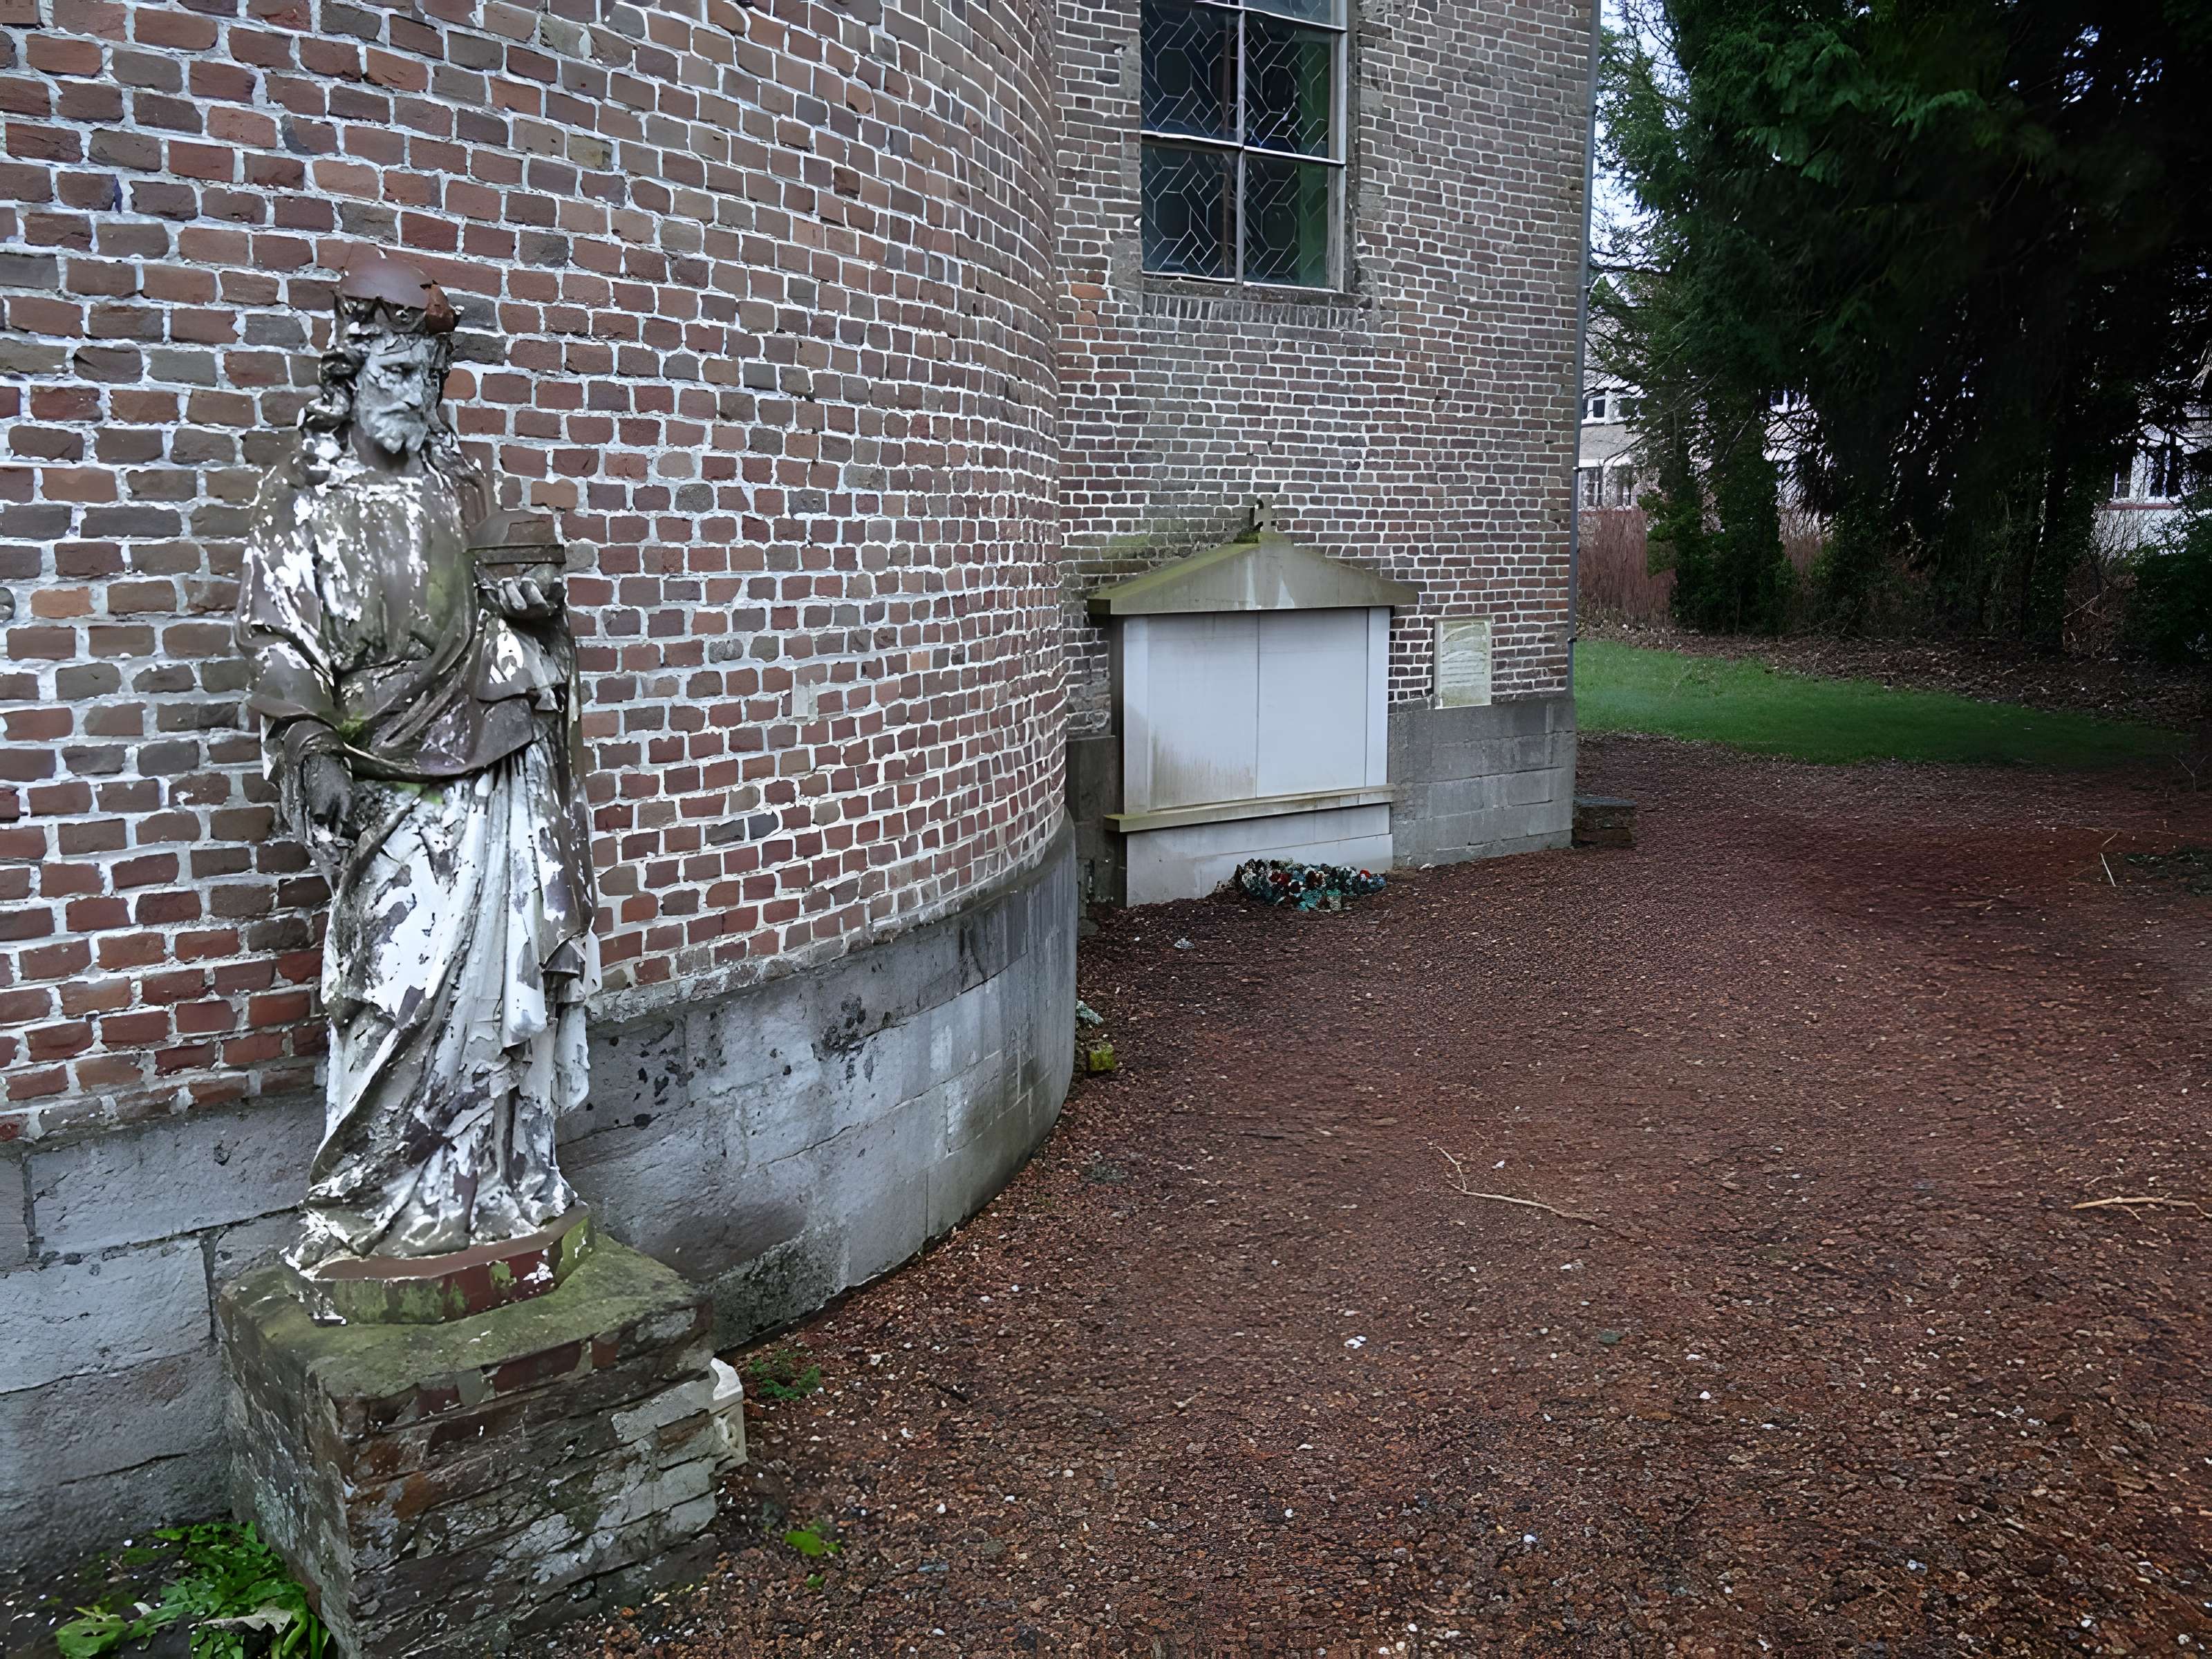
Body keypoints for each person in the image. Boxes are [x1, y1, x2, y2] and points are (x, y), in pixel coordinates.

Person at [236, 250, 597, 1271]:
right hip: (384, 781)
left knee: (496, 999)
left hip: (493, 769)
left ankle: (497, 1192)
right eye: (394, 373)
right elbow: (279, 645)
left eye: (428, 378)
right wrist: (311, 745)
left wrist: (539, 616)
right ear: (349, 377)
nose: (413, 396)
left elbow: (517, 622)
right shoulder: (300, 503)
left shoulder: (463, 490)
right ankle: (372, 1204)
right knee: (395, 995)